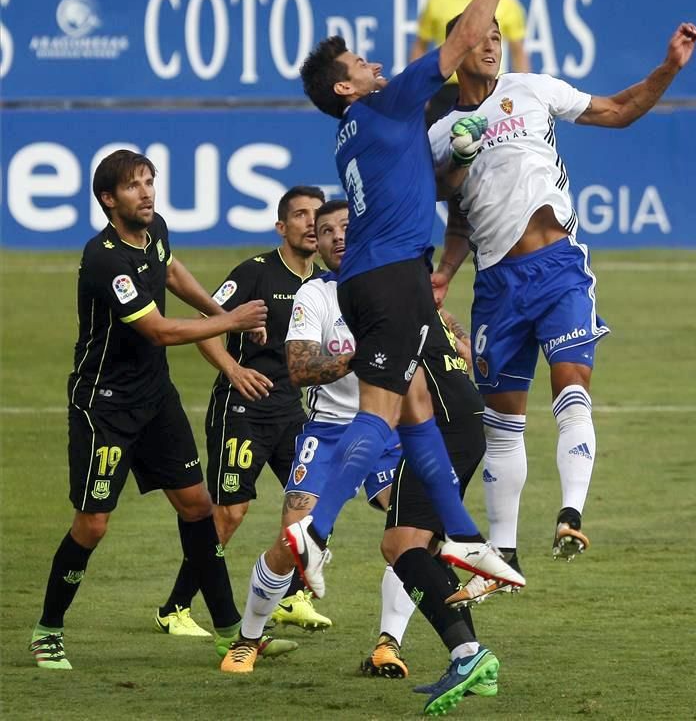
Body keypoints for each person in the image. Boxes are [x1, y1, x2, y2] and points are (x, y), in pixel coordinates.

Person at [291, 0, 528, 671]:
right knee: (383, 410)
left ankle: (458, 533)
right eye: (359, 62)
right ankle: (316, 529)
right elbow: (461, 38)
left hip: (382, 279)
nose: (373, 61)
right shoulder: (388, 102)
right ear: (346, 88)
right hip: (391, 279)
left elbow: (416, 177)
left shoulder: (354, 134)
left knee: (420, 401)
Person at [429, 17, 696, 599]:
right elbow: (450, 204)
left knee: (571, 383)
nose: (492, 46)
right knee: (503, 423)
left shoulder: (533, 89)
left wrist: (669, 68)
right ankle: (503, 555)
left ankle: (571, 515)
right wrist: (446, 265)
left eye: (498, 37)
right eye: (480, 38)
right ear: (456, 51)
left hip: (558, 269)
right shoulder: (441, 127)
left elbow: (619, 109)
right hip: (496, 284)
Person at [222, 202, 500, 716]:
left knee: (412, 534)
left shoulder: (391, 281)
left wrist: (466, 347)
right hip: (329, 434)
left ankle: (388, 642)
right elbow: (301, 369)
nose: (335, 237)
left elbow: (445, 329)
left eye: (345, 227)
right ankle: (249, 636)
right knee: (294, 542)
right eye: (324, 231)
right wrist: (372, 352)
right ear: (318, 245)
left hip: (393, 430)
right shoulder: (316, 293)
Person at [27, 149, 270, 670]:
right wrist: (231, 323)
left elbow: (172, 269)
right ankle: (48, 630)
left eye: (149, 181)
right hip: (105, 407)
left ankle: (232, 634)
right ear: (108, 200)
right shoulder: (104, 258)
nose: (147, 193)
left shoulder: (154, 229)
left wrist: (220, 309)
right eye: (134, 186)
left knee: (197, 506)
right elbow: (158, 329)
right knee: (92, 525)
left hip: (155, 398)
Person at [156, 186, 330, 638]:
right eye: (300, 215)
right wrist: (234, 370)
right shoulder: (255, 273)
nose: (311, 223)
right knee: (230, 512)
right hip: (243, 409)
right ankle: (175, 607)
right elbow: (204, 327)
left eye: (317, 215)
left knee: (312, 505)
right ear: (281, 226)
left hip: (292, 412)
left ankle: (292, 597)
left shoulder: (323, 283)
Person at [410, 0, 529, 123]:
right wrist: (417, 91)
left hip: (489, 88)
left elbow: (518, 52)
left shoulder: (506, 2)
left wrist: (522, 92)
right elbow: (420, 46)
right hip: (445, 89)